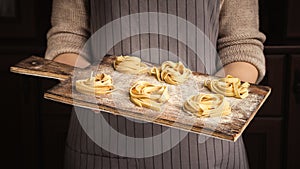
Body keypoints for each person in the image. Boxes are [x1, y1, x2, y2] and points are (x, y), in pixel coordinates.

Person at [45, 0, 266, 168]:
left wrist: (220, 98)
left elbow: (241, 44)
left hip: (205, 145)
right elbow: (67, 37)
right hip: (101, 136)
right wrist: (92, 88)